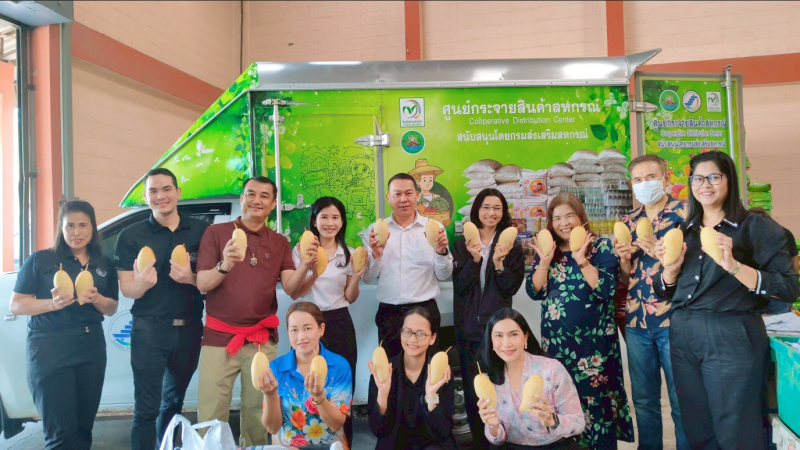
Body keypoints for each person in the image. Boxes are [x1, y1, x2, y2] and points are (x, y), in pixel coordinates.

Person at [653, 151, 799, 450]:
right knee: (697, 425)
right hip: (683, 332)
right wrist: (670, 271)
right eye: (697, 178)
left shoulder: (755, 227)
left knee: (735, 428)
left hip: (730, 331)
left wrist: (733, 266)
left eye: (713, 177)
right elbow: (665, 291)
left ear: (730, 179)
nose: (704, 185)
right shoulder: (685, 230)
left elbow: (788, 288)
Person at [195, 176, 309, 446]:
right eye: (251, 194)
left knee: (259, 411)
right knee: (211, 412)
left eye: (264, 196)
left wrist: (305, 264)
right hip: (218, 338)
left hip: (261, 341)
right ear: (242, 198)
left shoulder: (279, 242)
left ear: (273, 204)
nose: (257, 200)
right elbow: (202, 283)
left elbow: (292, 288)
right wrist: (225, 264)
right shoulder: (216, 233)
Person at [526, 192, 633, 450]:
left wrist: (581, 259)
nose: (564, 223)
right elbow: (534, 291)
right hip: (557, 345)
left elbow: (606, 289)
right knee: (562, 398)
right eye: (557, 218)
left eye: (569, 216)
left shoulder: (601, 247)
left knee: (597, 400)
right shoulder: (548, 250)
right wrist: (544, 261)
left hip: (595, 347)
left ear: (581, 218)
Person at [10, 201, 119, 449]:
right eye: (70, 226)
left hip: (90, 347)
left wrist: (97, 299)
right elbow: (16, 305)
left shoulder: (104, 264)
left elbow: (111, 307)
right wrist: (52, 304)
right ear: (61, 227)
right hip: (50, 348)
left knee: (83, 429)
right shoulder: (41, 260)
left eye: (83, 225)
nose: (76, 232)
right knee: (60, 433)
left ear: (92, 228)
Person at [115, 168, 210, 450]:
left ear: (178, 192)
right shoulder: (131, 235)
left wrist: (191, 278)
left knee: (174, 404)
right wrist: (141, 285)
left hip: (189, 328)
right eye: (153, 191)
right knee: (146, 407)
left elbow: (212, 281)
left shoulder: (201, 231)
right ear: (145, 197)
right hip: (149, 329)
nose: (160, 196)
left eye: (166, 189)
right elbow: (127, 289)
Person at [614, 155, 689, 450]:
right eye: (638, 179)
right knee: (644, 401)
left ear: (666, 179)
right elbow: (626, 276)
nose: (644, 184)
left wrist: (662, 255)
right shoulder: (628, 221)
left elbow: (696, 268)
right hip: (637, 320)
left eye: (650, 177)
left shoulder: (685, 214)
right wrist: (624, 260)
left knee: (681, 399)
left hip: (676, 319)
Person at [452, 187, 525, 449]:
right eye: (486, 207)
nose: (491, 212)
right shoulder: (462, 243)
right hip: (468, 328)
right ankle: (480, 444)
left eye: (497, 208)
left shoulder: (511, 245)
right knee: (475, 391)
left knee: (499, 390)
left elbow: (511, 288)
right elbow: (460, 286)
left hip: (498, 330)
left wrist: (499, 263)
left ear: (503, 213)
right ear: (477, 210)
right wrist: (474, 260)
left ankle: (500, 441)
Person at [290, 196, 365, 446]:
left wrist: (356, 276)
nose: (329, 223)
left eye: (335, 217)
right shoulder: (301, 251)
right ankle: (309, 443)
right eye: (324, 217)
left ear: (342, 222)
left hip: (339, 322)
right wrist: (311, 270)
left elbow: (350, 297)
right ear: (314, 221)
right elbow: (296, 293)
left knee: (342, 386)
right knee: (306, 384)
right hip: (308, 322)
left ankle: (343, 444)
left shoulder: (348, 253)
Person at [362, 173, 453, 359]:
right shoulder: (374, 231)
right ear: (388, 198)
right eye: (397, 194)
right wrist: (377, 255)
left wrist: (441, 252)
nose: (403, 199)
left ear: (417, 196)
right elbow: (368, 278)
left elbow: (444, 275)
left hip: (425, 311)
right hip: (390, 314)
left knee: (428, 369)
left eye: (408, 193)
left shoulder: (434, 227)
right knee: (390, 368)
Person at [476, 308, 585, 450]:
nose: (506, 343)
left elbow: (579, 423)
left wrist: (552, 420)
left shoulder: (552, 370)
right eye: (498, 335)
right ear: (491, 341)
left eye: (513, 334)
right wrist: (492, 426)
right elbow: (498, 441)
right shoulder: (487, 379)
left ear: (525, 337)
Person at [258, 302, 352, 449]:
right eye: (294, 330)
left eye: (307, 328)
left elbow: (336, 424)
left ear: (321, 329)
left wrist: (319, 398)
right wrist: (270, 396)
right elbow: (272, 428)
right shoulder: (275, 368)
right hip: (288, 447)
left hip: (329, 446)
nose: (301, 336)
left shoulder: (339, 366)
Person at [367, 306, 457, 450]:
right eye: (407, 332)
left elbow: (443, 433)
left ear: (432, 338)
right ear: (401, 333)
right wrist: (383, 393)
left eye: (420, 334)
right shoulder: (384, 371)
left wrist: (431, 397)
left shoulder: (442, 374)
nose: (413, 339)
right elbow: (377, 430)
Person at [749, 206, 800, 314]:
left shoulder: (746, 234)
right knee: (780, 321)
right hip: (777, 286)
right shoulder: (783, 232)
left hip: (757, 286)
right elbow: (795, 261)